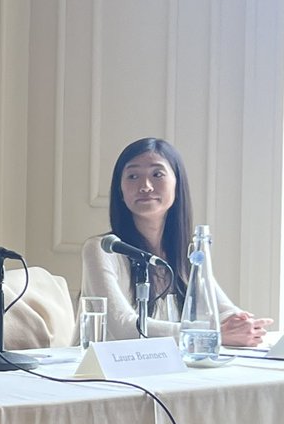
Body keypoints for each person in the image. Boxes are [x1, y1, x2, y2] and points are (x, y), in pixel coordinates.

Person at [81, 137, 270, 344]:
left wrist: (244, 324)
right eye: (133, 176)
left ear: (177, 184)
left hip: (163, 368)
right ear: (120, 190)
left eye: (157, 174)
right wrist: (209, 335)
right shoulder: (101, 249)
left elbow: (222, 311)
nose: (145, 186)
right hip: (105, 371)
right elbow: (123, 327)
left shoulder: (189, 252)